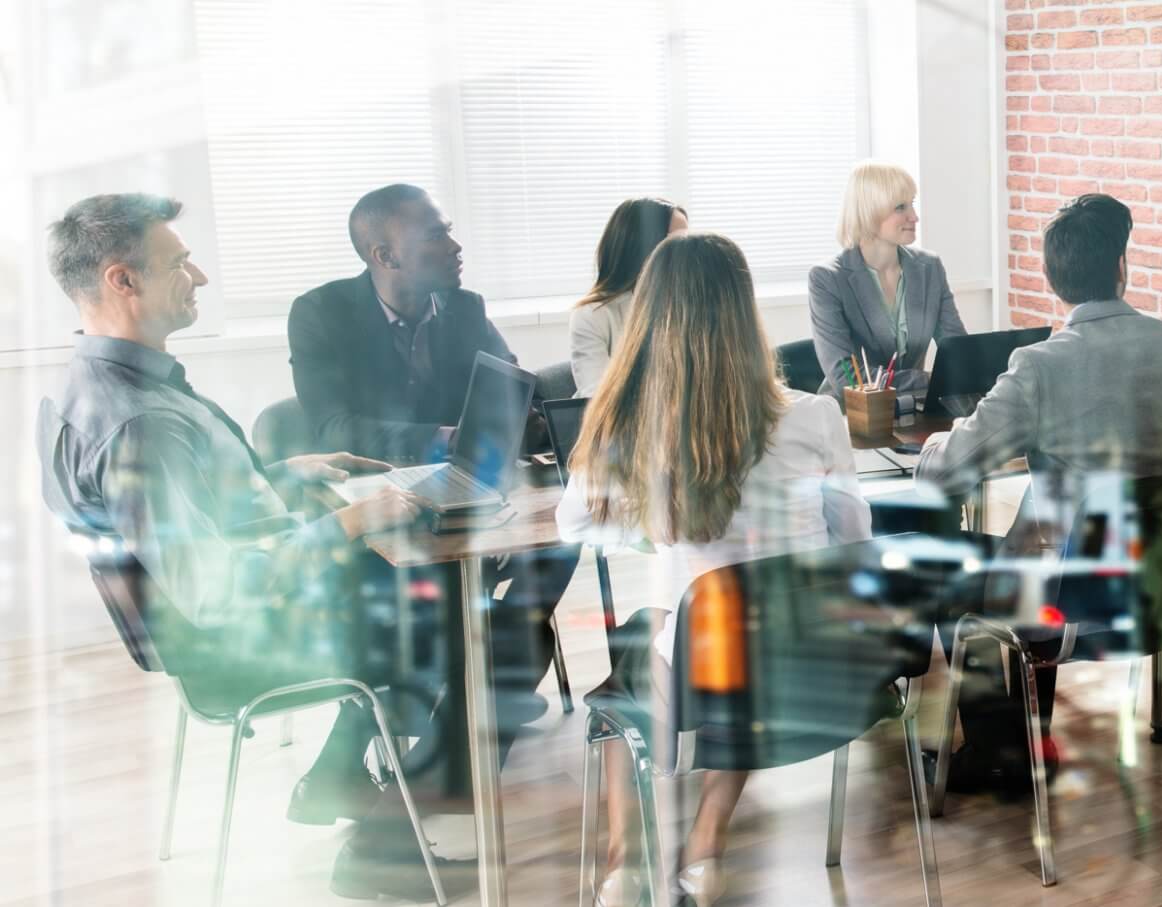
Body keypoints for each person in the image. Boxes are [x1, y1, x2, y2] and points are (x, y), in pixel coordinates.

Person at [36, 193, 480, 900]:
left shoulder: (88, 390)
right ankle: (383, 847)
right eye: (178, 263)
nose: (199, 278)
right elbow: (213, 588)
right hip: (233, 646)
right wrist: (350, 522)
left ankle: (350, 769)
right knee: (453, 615)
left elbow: (175, 525)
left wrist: (280, 474)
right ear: (123, 280)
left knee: (428, 598)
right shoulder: (140, 424)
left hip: (205, 629)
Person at [557, 232, 872, 907]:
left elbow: (573, 523)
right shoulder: (816, 415)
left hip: (705, 675)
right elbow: (854, 540)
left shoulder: (627, 428)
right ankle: (705, 847)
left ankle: (623, 866)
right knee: (742, 649)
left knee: (645, 661)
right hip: (820, 673)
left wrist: (650, 527)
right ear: (745, 309)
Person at [915, 194, 1162, 792]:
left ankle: (1002, 752)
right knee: (1041, 544)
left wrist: (932, 446)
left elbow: (948, 474)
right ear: (1122, 266)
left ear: (1052, 280)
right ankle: (1026, 735)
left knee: (947, 563)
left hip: (1076, 599)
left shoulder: (1041, 366)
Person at [288, 183, 579, 721]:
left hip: (464, 490)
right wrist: (442, 437)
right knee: (439, 573)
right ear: (385, 255)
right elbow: (334, 427)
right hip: (375, 503)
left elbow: (513, 386)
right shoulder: (321, 314)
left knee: (565, 540)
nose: (455, 245)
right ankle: (474, 698)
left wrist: (530, 420)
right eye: (436, 234)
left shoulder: (464, 308)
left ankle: (488, 687)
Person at [808, 160, 966, 402]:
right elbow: (846, 377)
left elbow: (957, 350)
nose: (914, 216)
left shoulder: (929, 268)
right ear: (869, 211)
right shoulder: (828, 279)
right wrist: (928, 380)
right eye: (900, 207)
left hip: (913, 409)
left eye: (912, 203)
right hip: (852, 416)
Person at [570, 197, 688, 397]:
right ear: (643, 246)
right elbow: (598, 399)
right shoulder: (592, 315)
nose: (688, 252)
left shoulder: (688, 303)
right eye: (677, 241)